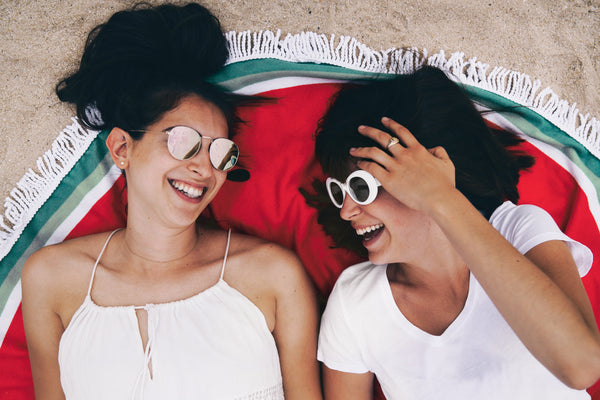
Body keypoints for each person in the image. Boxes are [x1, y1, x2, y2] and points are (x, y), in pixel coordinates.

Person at [21, 3, 321, 400]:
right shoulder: (50, 277)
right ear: (122, 147)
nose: (204, 169)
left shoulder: (272, 275)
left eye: (220, 153)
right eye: (184, 141)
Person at [312, 66, 600, 399]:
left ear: (425, 175)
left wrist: (443, 198)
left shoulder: (519, 231)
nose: (346, 211)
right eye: (339, 191)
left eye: (361, 187)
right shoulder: (355, 304)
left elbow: (581, 366)